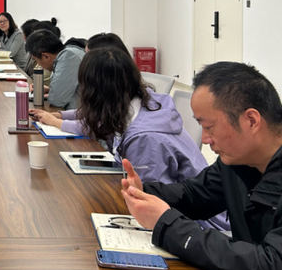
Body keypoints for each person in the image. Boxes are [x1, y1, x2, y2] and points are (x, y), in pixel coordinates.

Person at [120, 62, 282, 270]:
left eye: (209, 126)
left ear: (251, 120)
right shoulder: (239, 158)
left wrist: (168, 225)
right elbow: (194, 196)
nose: (204, 139)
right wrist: (144, 192)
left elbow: (277, 269)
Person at [30, 49, 222, 204]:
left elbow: (148, 199)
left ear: (94, 92)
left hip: (197, 221)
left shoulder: (144, 138)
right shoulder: (141, 102)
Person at [33, 31, 130, 127]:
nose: (84, 60)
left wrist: (56, 122)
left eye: (87, 55)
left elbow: (98, 127)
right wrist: (59, 115)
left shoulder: (116, 89)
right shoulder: (108, 82)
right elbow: (91, 113)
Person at [25, 29, 84, 109]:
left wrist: (53, 93)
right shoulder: (67, 53)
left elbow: (56, 100)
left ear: (46, 56)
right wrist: (50, 90)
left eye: (36, 60)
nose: (38, 64)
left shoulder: (68, 57)